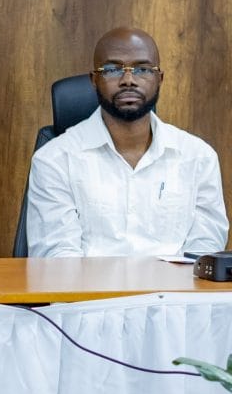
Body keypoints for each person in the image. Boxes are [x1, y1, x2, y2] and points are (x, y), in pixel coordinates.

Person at [26, 27, 228, 257]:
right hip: (87, 292)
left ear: (159, 78)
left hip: (174, 291)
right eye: (112, 69)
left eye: (143, 69)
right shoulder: (54, 160)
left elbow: (204, 254)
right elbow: (58, 259)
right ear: (94, 80)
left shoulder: (198, 157)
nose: (128, 80)